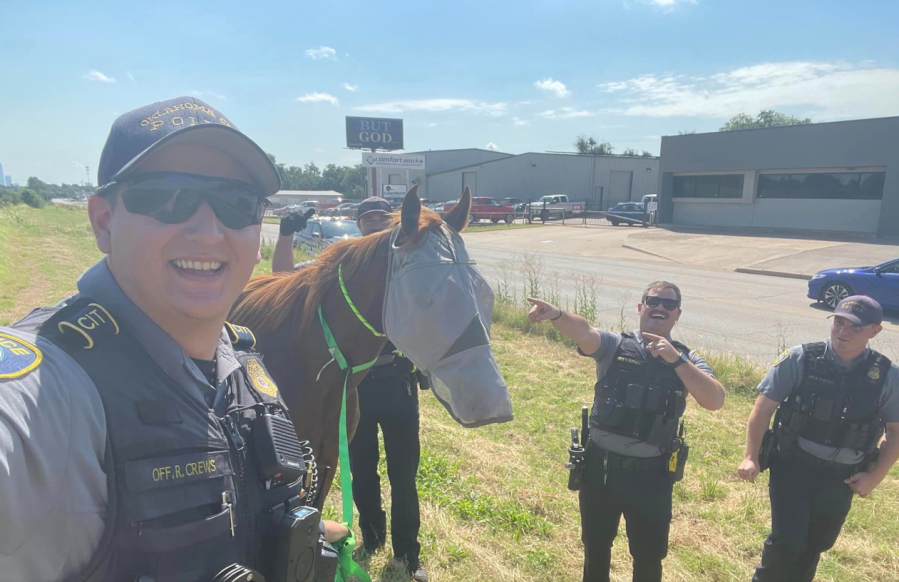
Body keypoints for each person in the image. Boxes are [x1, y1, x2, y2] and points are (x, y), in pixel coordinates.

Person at [0, 96, 343, 582]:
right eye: (166, 196)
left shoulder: (241, 363)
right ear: (104, 222)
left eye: (236, 203)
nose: (207, 232)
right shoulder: (48, 393)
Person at [273, 196, 428, 582]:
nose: (375, 224)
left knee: (405, 472)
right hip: (352, 384)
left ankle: (408, 553)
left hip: (398, 381)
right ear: (358, 224)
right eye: (368, 218)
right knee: (361, 469)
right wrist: (286, 234)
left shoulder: (407, 267)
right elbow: (284, 275)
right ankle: (373, 538)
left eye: (382, 218)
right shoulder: (341, 265)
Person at [528, 281, 725, 582]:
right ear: (640, 307)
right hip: (600, 470)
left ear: (677, 315)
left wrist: (676, 360)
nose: (660, 307)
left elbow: (715, 399)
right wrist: (557, 315)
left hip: (652, 477)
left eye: (668, 304)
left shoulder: (688, 359)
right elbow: (584, 332)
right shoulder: (615, 346)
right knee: (595, 549)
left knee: (648, 558)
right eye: (653, 301)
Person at [738, 295, 899, 582]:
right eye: (838, 322)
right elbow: (762, 407)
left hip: (843, 476)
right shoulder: (802, 358)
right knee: (787, 541)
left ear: (875, 330)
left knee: (817, 543)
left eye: (854, 327)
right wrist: (750, 456)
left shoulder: (886, 374)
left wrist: (874, 477)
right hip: (793, 463)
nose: (842, 332)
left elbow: (895, 431)